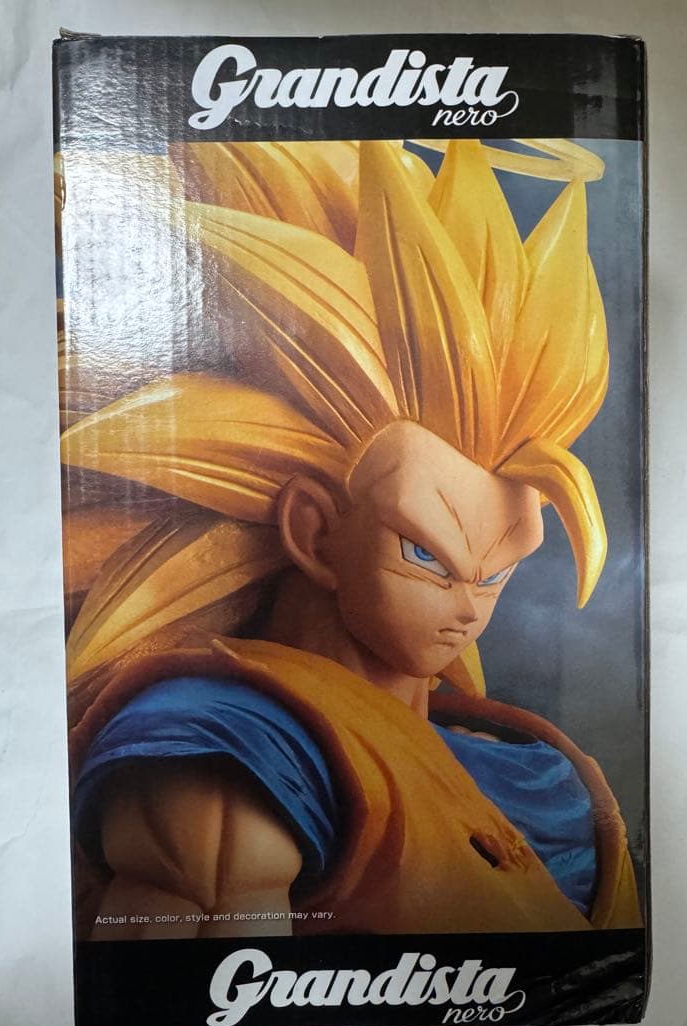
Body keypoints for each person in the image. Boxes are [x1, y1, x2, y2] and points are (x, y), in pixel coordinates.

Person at [60, 137, 642, 939]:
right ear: (315, 531)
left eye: (496, 574)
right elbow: (180, 1006)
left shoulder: (538, 771)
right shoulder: (224, 757)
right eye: (428, 556)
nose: (470, 609)